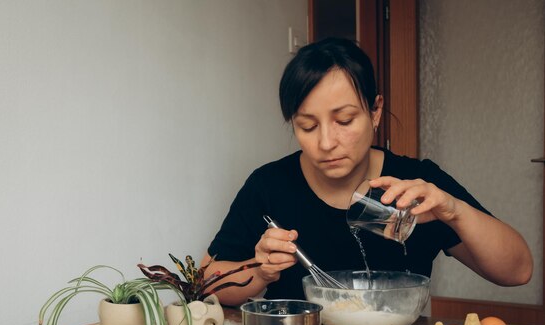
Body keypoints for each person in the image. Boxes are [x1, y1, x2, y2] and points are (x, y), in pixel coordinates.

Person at [201, 37, 532, 307]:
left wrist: (453, 211)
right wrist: (260, 272)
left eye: (344, 121)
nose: (327, 142)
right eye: (308, 126)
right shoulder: (269, 186)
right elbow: (206, 283)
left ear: (375, 112)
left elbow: (517, 270)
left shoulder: (416, 186)